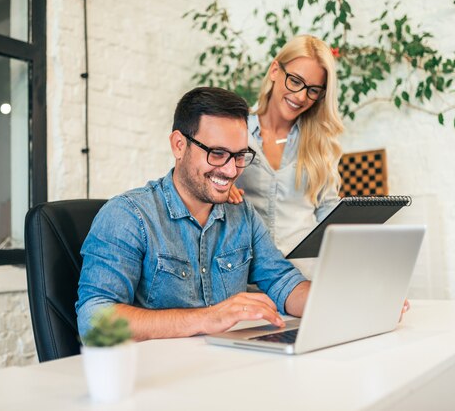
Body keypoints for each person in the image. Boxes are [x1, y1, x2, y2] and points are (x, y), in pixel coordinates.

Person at [76, 87, 310, 341]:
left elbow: (282, 282)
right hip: (159, 374)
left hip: (224, 367)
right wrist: (209, 318)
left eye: (240, 155)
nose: (231, 171)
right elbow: (95, 321)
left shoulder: (242, 215)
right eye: (217, 154)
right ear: (179, 145)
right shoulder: (128, 216)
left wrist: (340, 300)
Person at [230, 35, 344, 256]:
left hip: (303, 276)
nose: (301, 97)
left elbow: (326, 211)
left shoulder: (321, 142)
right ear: (275, 71)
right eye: (295, 80)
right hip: (247, 274)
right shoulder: (236, 132)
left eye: (313, 90)